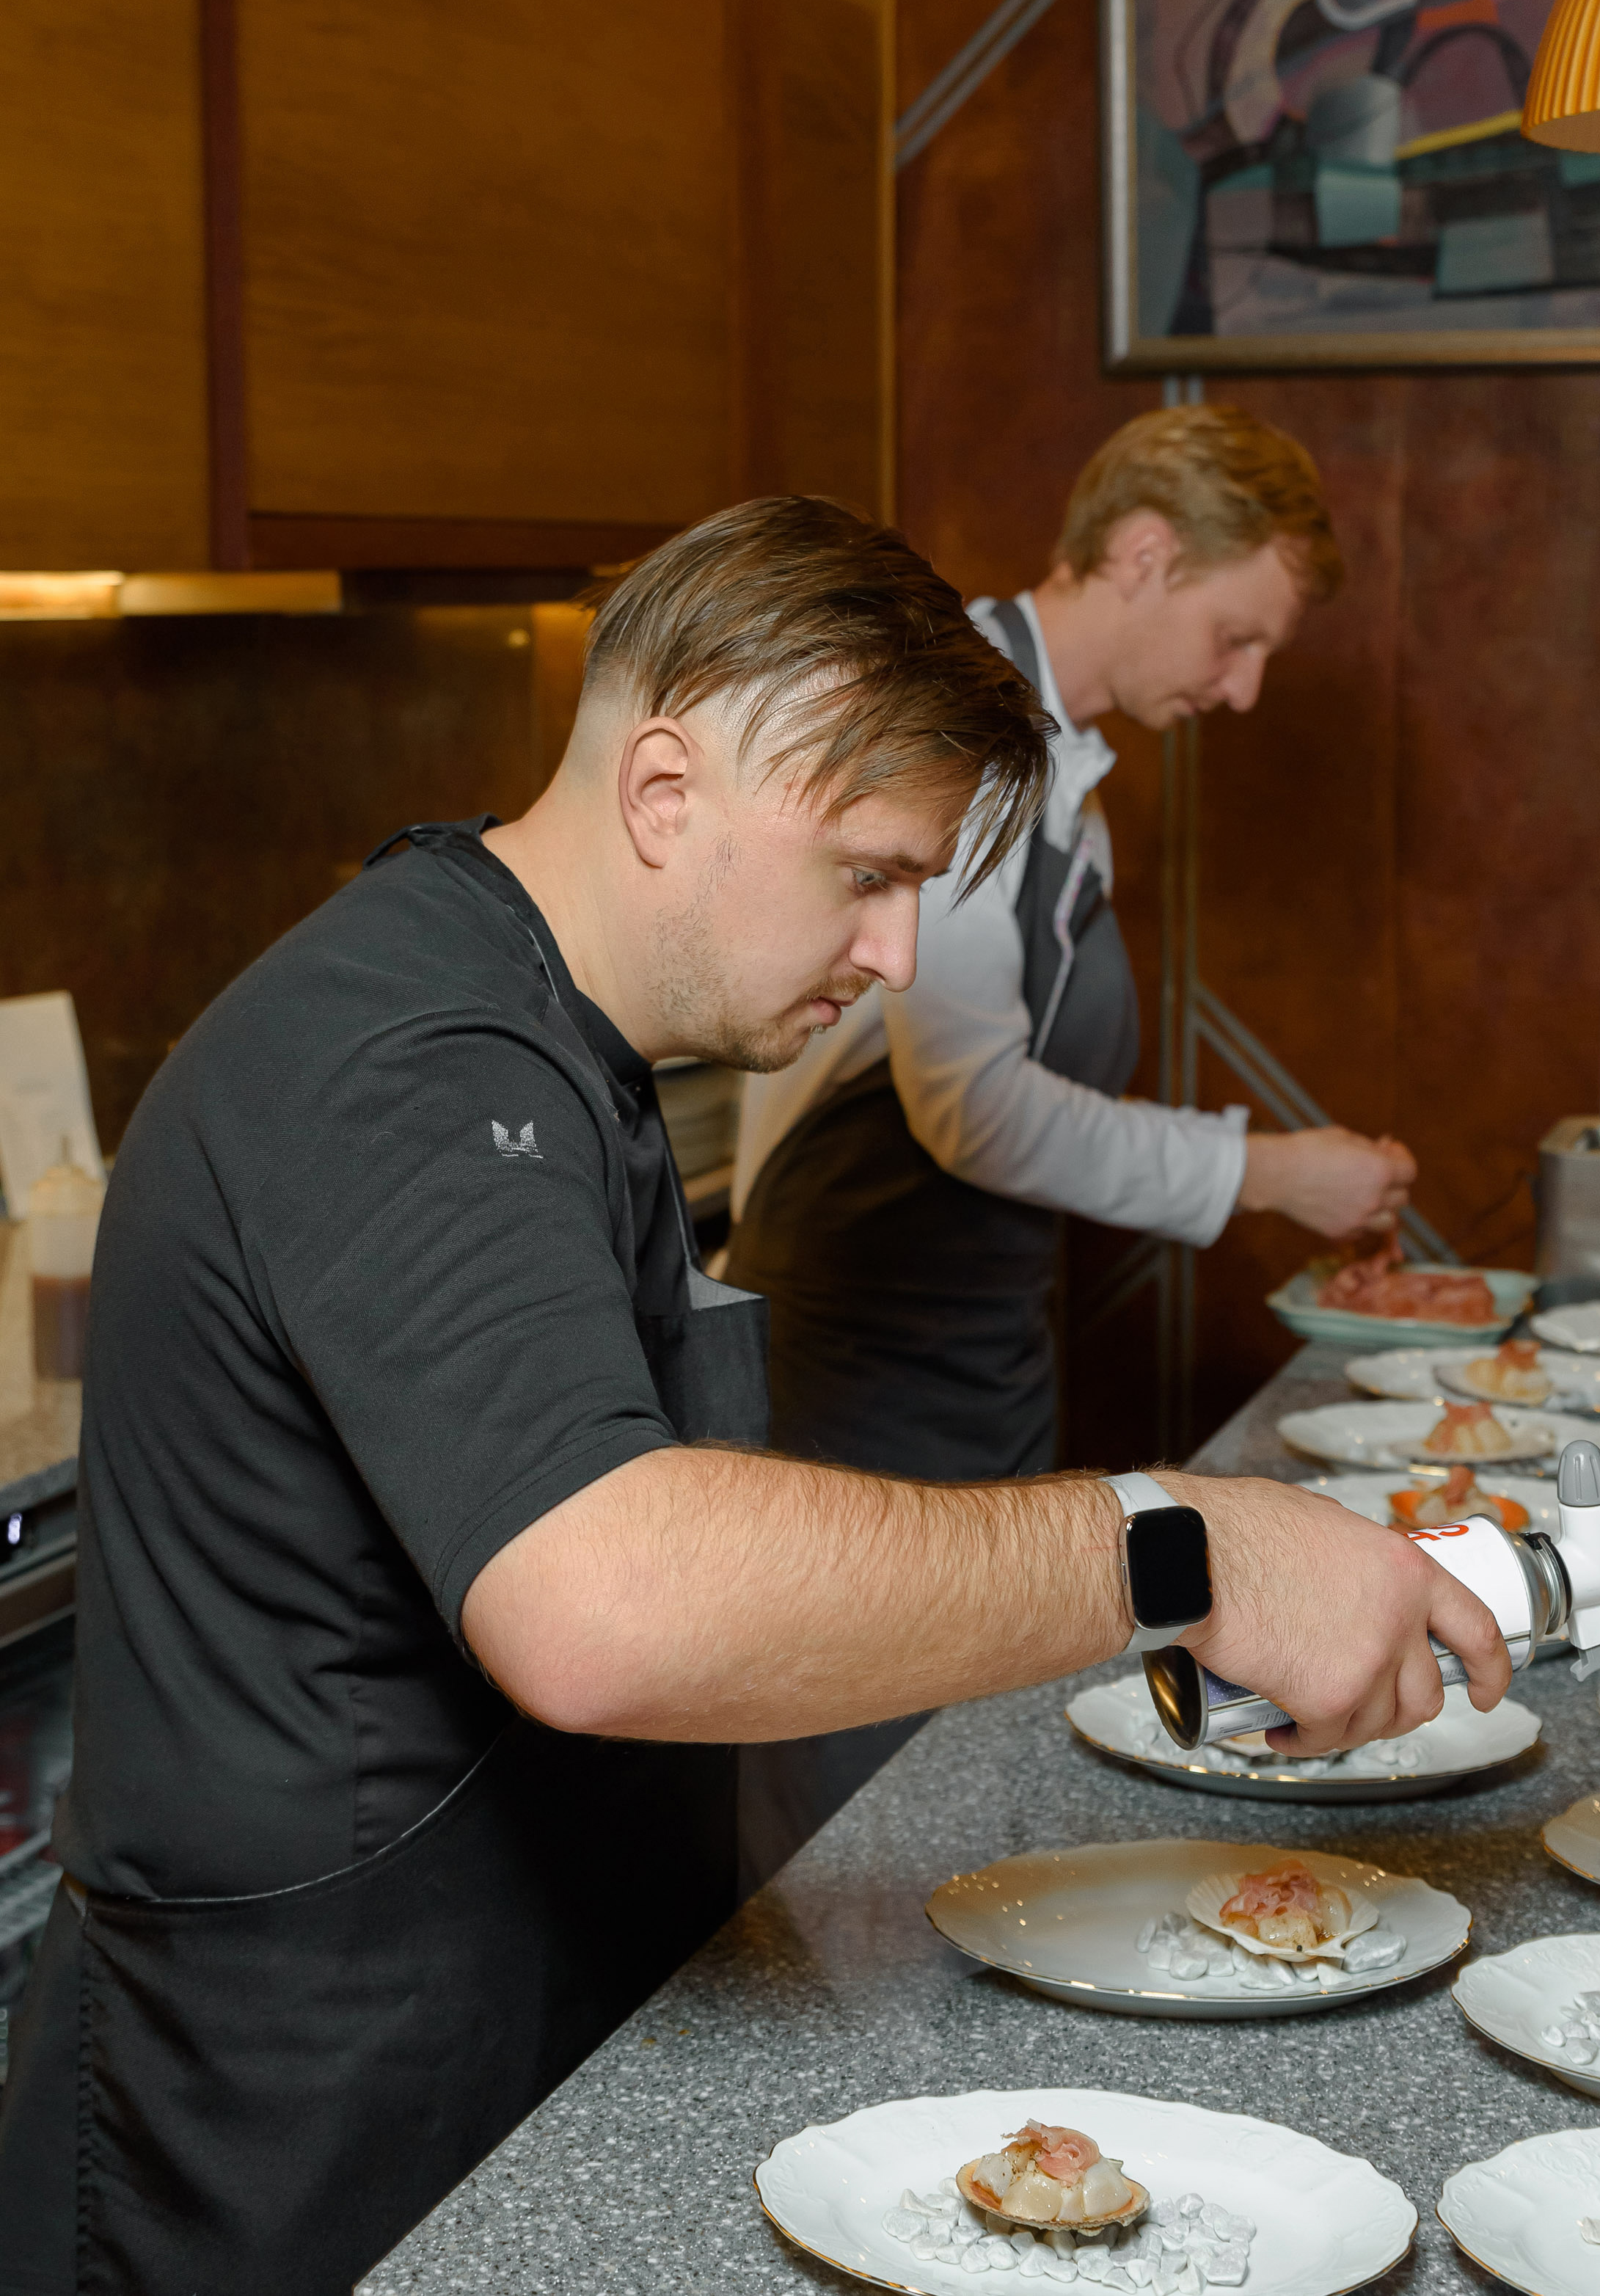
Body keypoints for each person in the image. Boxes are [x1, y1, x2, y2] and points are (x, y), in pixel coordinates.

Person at [0, 498, 1506, 2296]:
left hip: (506, 2032)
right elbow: (609, 1604)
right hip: (290, 2121)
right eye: (866, 873)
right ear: (663, 793)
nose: (893, 956)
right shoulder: (404, 1059)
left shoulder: (565, 1032)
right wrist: (1180, 1547)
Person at [723, 408, 1419, 1870]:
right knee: (859, 1818)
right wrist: (1266, 1172)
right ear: (1146, 554)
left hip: (972, 1348)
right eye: (1236, 636)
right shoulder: (962, 734)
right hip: (862, 1358)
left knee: (956, 1784)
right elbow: (970, 1107)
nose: (1242, 689)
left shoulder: (1057, 766)